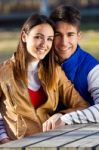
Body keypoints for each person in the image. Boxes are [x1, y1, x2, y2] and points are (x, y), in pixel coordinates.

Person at [0, 13, 88, 144]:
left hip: (51, 142)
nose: (44, 44)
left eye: (49, 39)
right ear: (24, 36)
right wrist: (3, 139)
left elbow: (82, 105)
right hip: (16, 144)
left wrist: (62, 115)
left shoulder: (55, 71)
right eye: (38, 37)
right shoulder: (4, 72)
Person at [43, 5, 99, 132]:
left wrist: (65, 118)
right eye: (58, 34)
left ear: (79, 36)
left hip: (85, 137)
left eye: (70, 34)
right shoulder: (39, 63)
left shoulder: (92, 68)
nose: (64, 42)